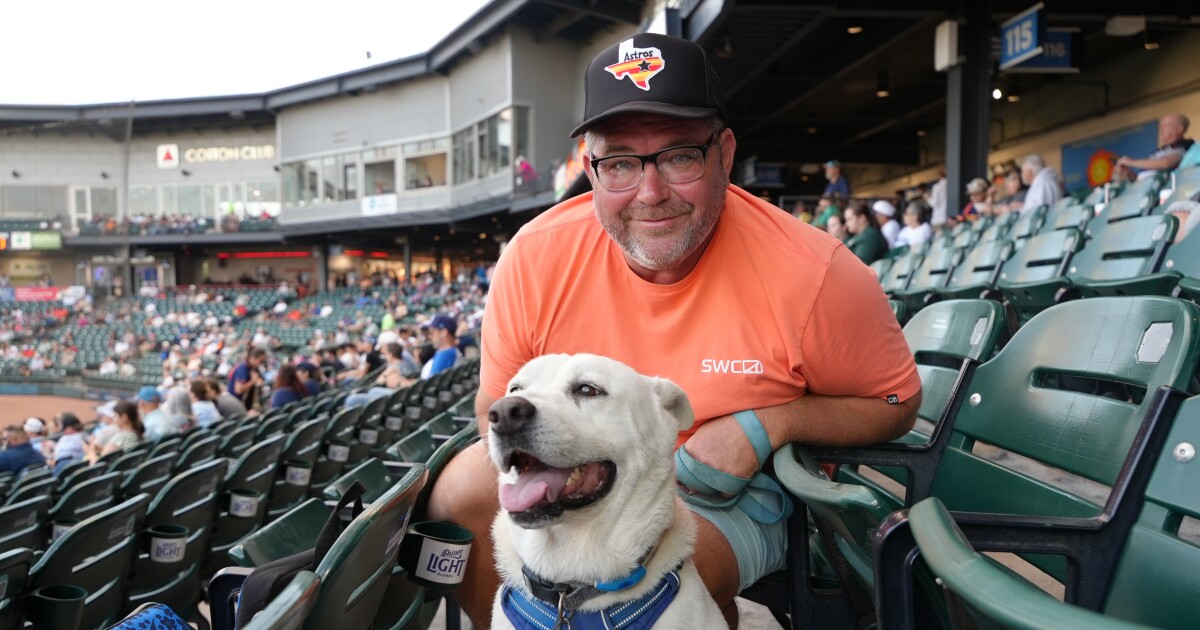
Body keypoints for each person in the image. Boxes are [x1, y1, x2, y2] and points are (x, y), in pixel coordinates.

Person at [426, 33, 920, 628]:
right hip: (576, 460)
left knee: (662, 587)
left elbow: (895, 400)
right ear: (591, 166)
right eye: (620, 163)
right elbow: (493, 409)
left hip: (730, 492)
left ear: (724, 152)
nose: (650, 193)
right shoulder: (532, 257)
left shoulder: (817, 273)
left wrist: (770, 423)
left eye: (680, 155)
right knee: (455, 496)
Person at [1117, 114, 1193, 179]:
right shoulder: (1160, 150)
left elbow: (1166, 163)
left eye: (1166, 126)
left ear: (1180, 129)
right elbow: (1147, 176)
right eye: (1161, 126)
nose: (1161, 129)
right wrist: (1129, 174)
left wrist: (1131, 162)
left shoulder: (1185, 145)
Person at [420, 314, 463, 379]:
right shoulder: (450, 351)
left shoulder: (445, 354)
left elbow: (429, 384)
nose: (430, 337)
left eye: (432, 333)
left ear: (444, 332)